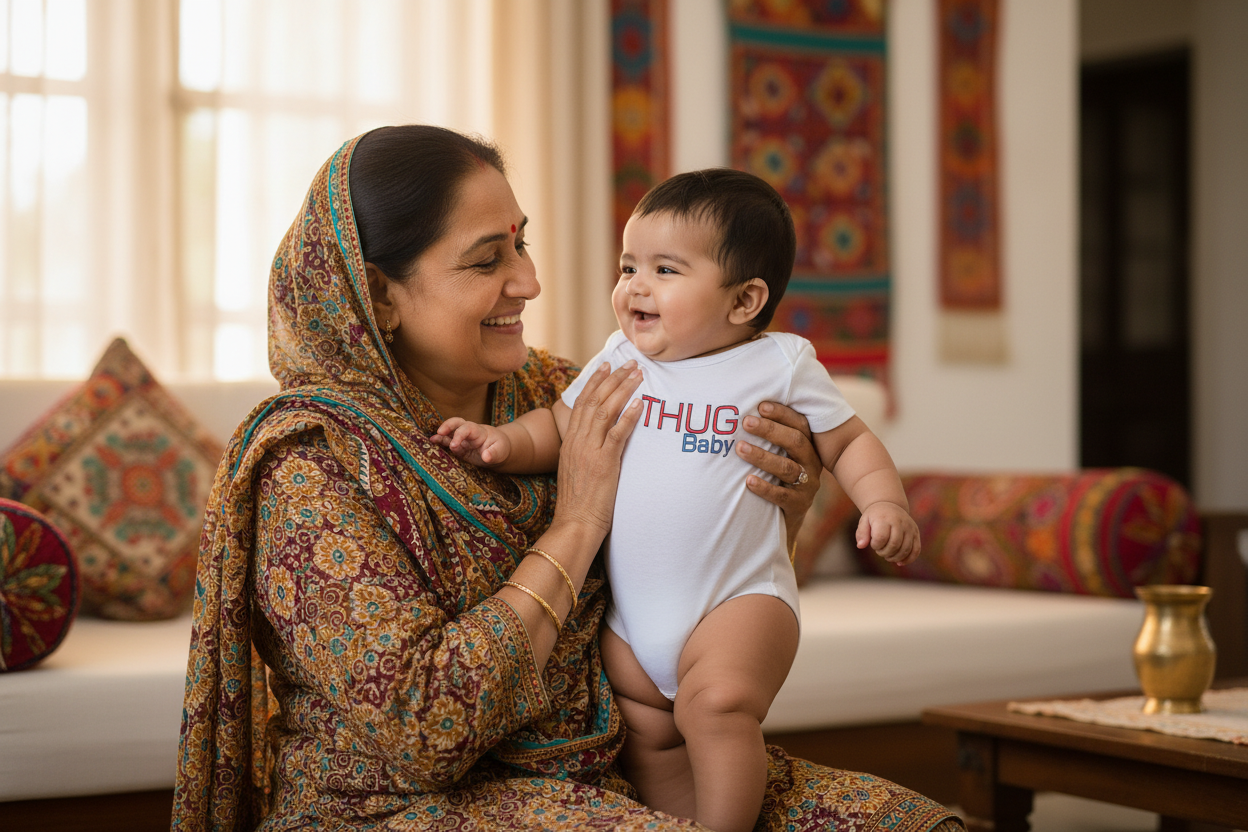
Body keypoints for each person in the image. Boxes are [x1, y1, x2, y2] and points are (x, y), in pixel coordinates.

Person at [172, 125, 963, 832]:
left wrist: (780, 505)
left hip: (610, 762)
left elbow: (693, 571)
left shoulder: (581, 385)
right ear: (379, 296)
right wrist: (576, 520)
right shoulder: (309, 463)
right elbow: (425, 727)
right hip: (404, 801)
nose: (529, 282)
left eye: (522, 244)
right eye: (488, 259)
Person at [434, 169, 920, 831]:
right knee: (651, 735)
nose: (634, 285)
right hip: (634, 628)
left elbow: (850, 440)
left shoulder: (781, 364)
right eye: (628, 265)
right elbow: (560, 425)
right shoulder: (619, 358)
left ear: (745, 300)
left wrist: (882, 503)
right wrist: (502, 443)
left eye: (665, 269)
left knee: (716, 708)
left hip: (738, 600)